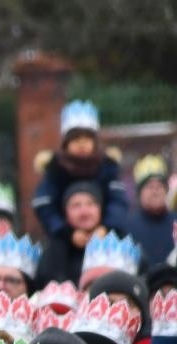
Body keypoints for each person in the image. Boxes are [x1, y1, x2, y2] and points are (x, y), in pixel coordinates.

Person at [31, 101, 129, 248]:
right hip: (64, 242)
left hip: (107, 241)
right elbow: (44, 205)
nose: (82, 144)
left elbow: (118, 202)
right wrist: (67, 232)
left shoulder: (108, 167)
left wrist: (106, 228)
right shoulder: (55, 170)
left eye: (87, 138)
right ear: (66, 143)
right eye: (76, 138)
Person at [125, 157, 175, 268]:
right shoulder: (127, 226)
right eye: (149, 187)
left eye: (159, 187)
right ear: (139, 193)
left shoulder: (175, 222)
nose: (155, 191)